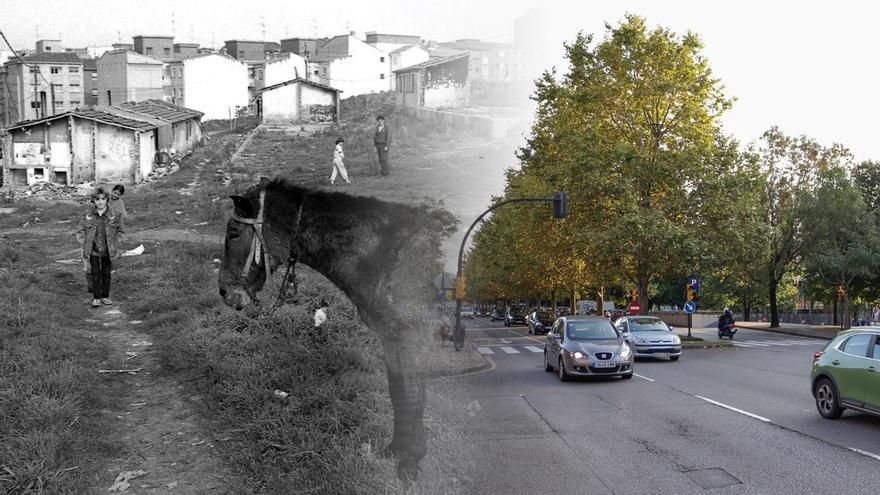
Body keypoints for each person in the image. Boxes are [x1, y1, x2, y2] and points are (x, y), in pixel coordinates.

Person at [76, 187, 125, 307]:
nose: (100, 202)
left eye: (103, 199)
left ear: (107, 200)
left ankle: (105, 296)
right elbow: (80, 231)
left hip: (108, 249)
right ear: (93, 201)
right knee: (95, 273)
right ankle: (96, 297)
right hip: (93, 250)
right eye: (97, 199)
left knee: (106, 273)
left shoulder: (116, 215)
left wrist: (115, 242)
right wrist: (85, 242)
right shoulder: (87, 215)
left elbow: (121, 232)